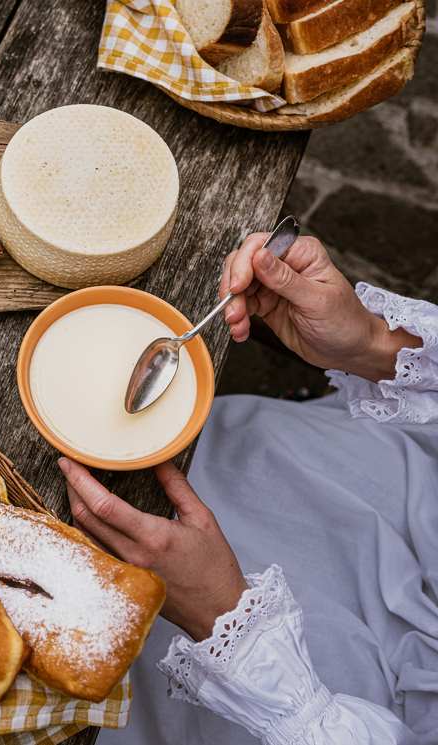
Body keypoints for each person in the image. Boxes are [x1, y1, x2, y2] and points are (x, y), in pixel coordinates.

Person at [68, 233, 437, 744]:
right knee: (225, 448)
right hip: (396, 477)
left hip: (340, 700)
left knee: (115, 639)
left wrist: (225, 620)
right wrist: (373, 344)